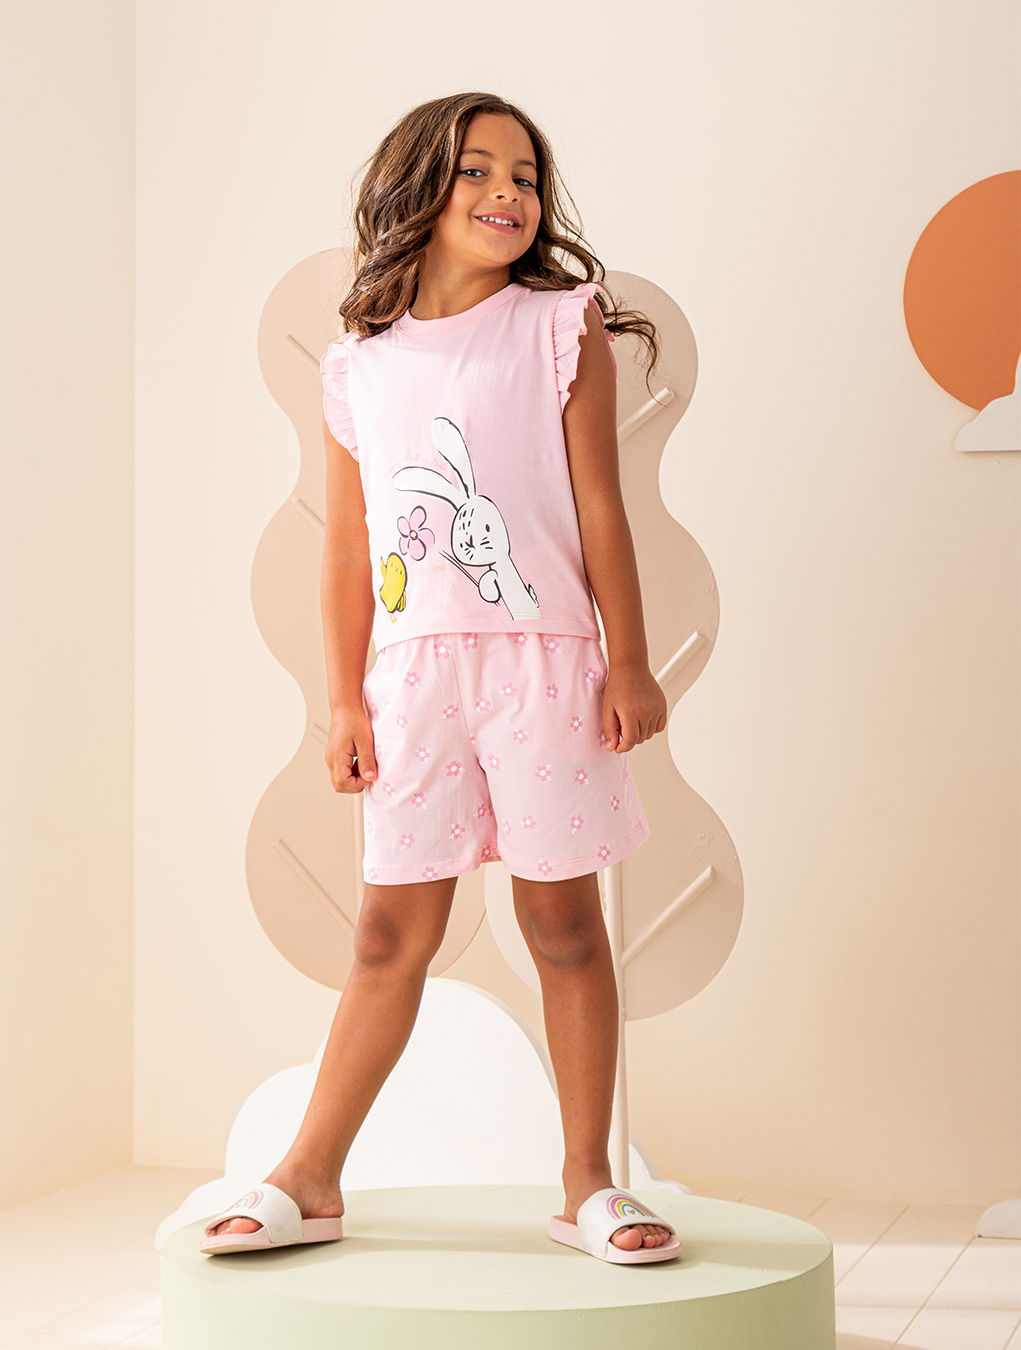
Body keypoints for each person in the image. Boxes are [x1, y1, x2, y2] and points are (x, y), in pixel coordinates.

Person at [202, 92, 679, 1266]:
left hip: (546, 668)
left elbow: (602, 505)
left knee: (564, 922)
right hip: (415, 681)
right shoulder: (358, 365)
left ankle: (589, 1183)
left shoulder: (559, 327)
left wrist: (628, 657)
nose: (508, 191)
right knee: (385, 933)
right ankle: (308, 1176)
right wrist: (344, 699)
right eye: (478, 169)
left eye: (526, 174)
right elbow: (347, 546)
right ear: (419, 186)